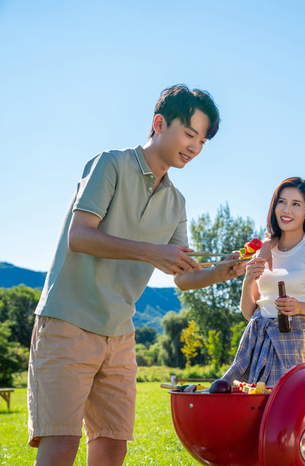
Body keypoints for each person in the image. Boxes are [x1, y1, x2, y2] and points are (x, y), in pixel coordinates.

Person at [28, 85, 228, 466]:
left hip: (120, 335)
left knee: (112, 448)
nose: (195, 147)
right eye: (189, 134)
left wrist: (222, 272)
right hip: (68, 322)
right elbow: (80, 236)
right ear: (159, 123)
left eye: (202, 141)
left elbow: (182, 276)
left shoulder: (176, 201)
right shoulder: (111, 164)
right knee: (61, 445)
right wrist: (153, 252)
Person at [211, 177, 305, 386]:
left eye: (296, 204)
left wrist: (299, 307)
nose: (286, 210)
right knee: (240, 405)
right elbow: (248, 313)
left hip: (291, 339)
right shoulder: (263, 250)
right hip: (254, 339)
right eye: (282, 201)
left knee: (283, 407)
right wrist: (248, 279)